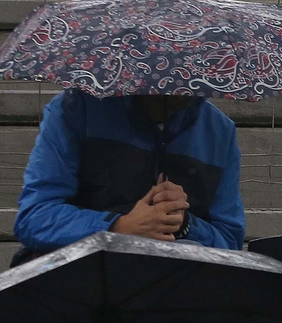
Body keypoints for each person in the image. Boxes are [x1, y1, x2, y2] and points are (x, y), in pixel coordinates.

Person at [13, 91, 245, 262]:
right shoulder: (74, 109)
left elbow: (229, 241)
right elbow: (35, 217)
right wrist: (118, 227)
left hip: (175, 288)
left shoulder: (220, 132)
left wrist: (184, 224)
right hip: (80, 277)